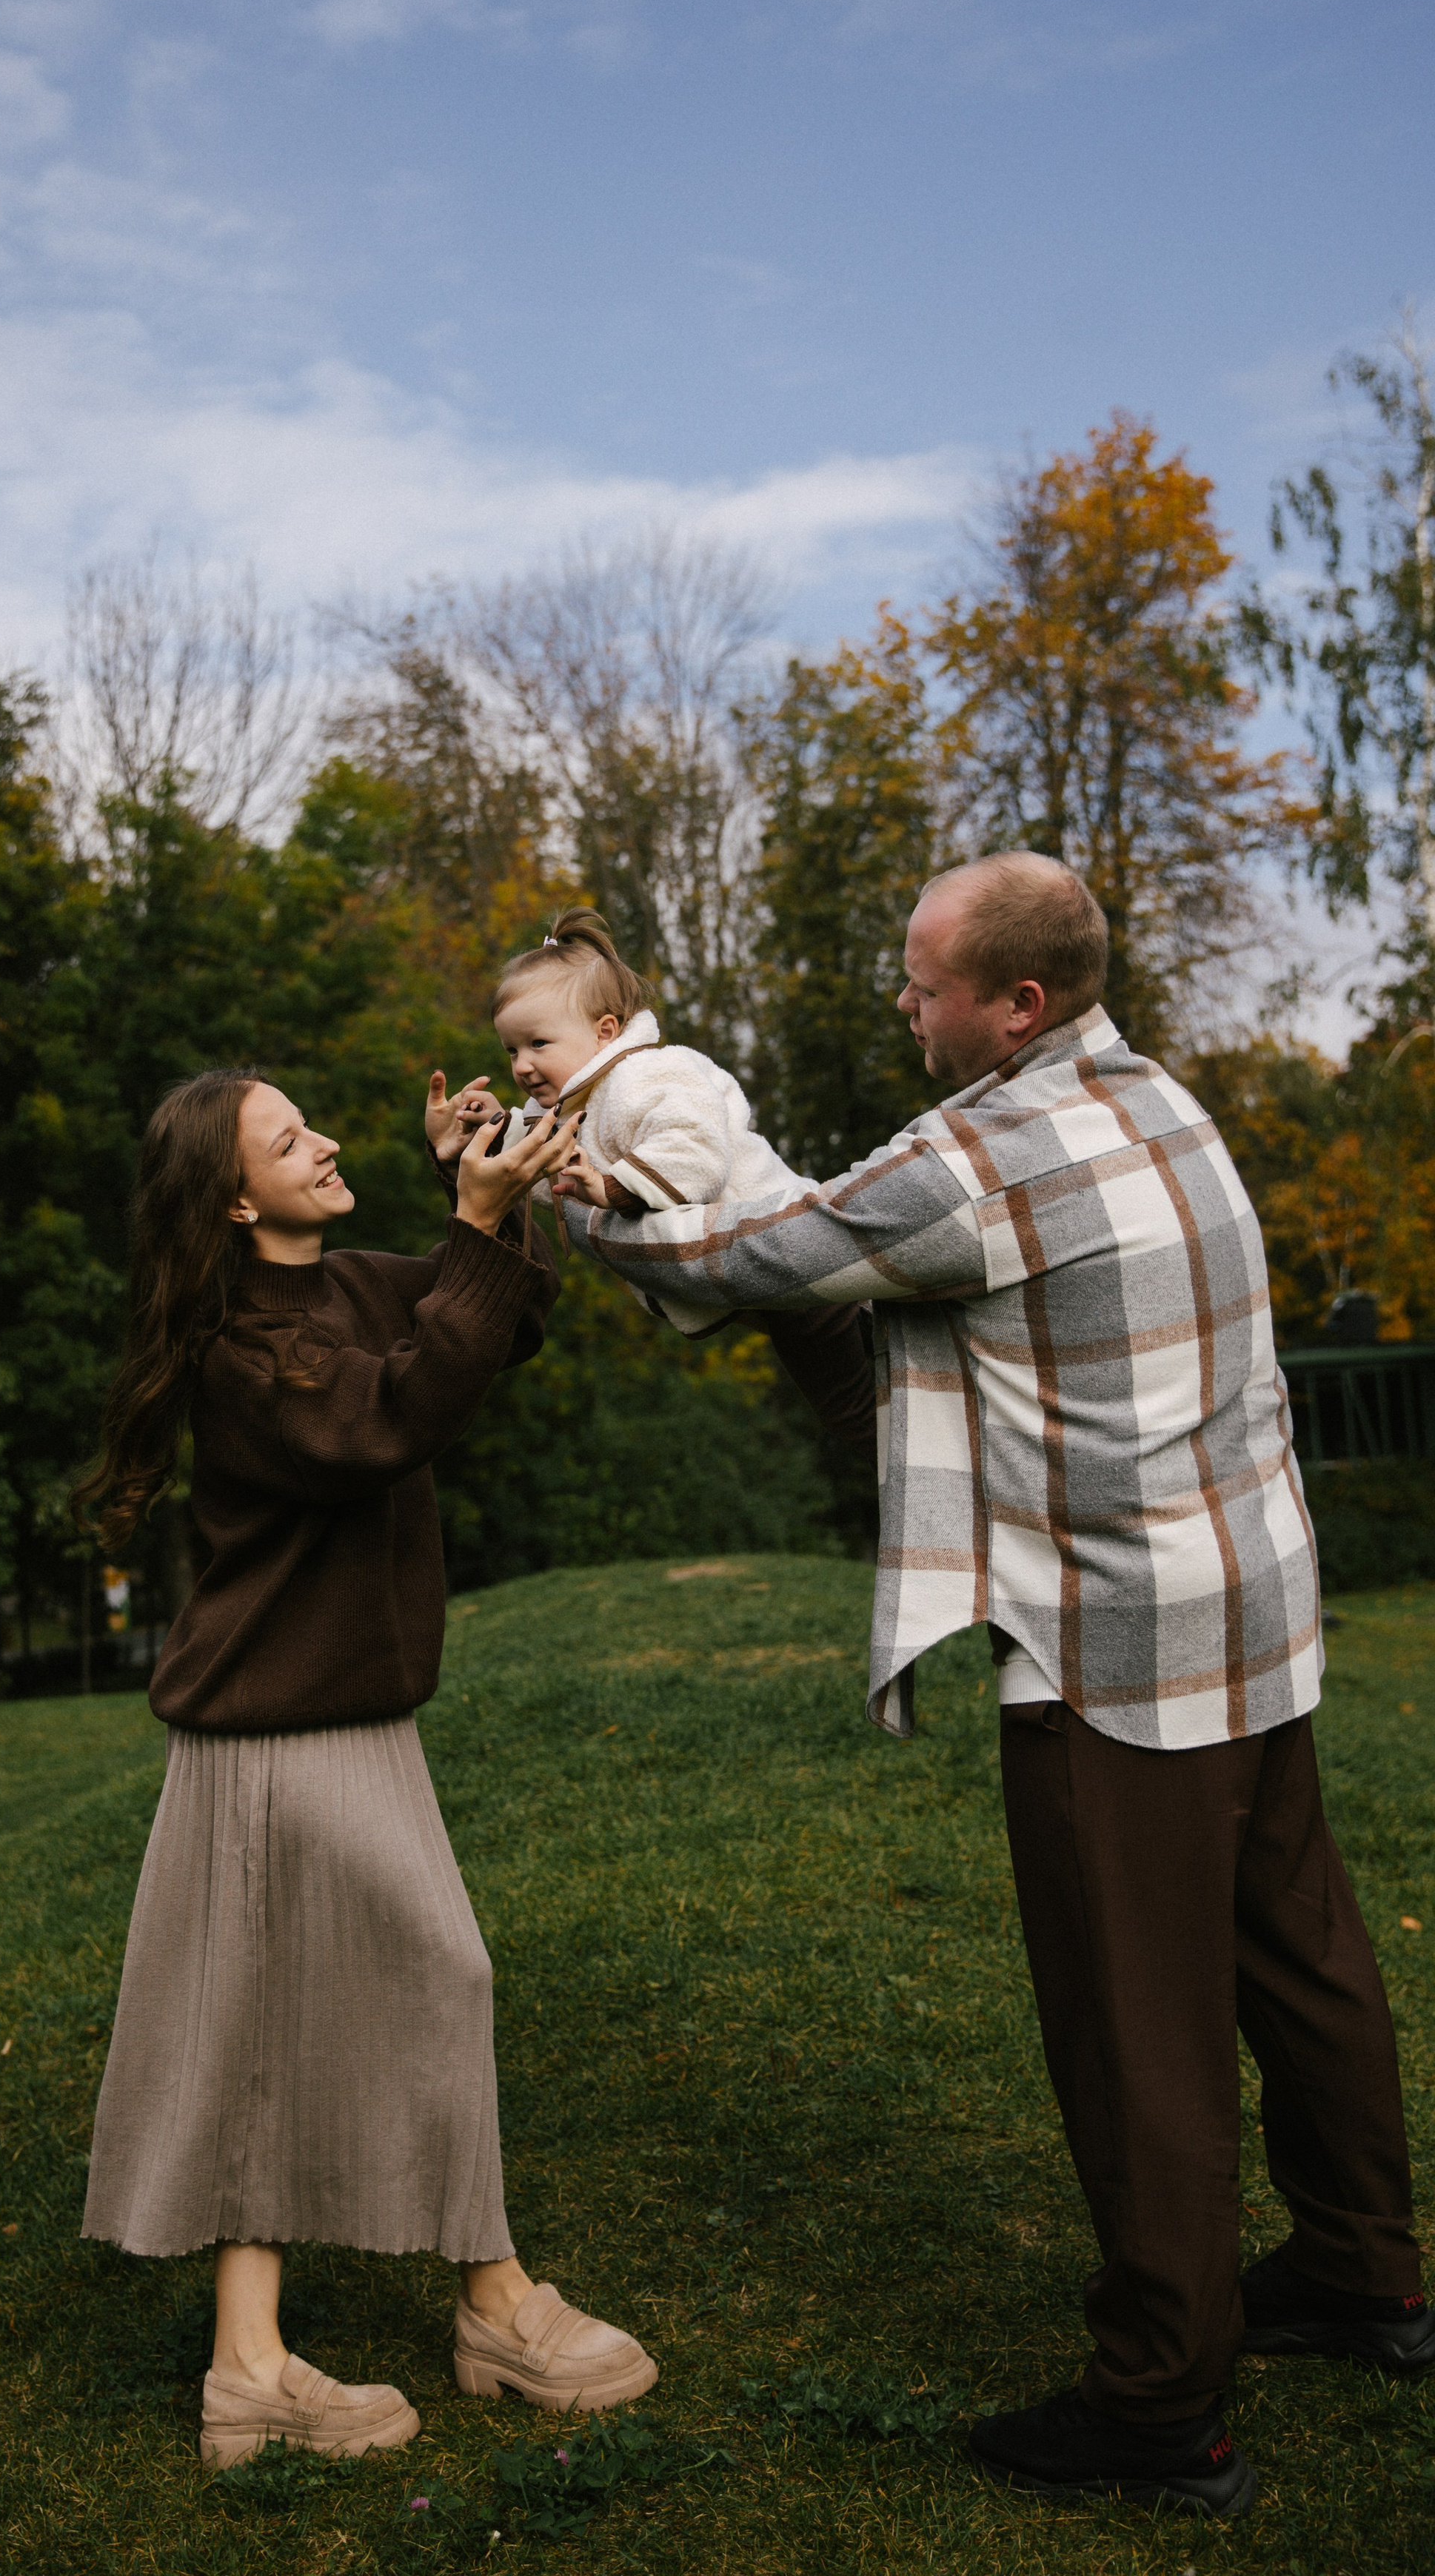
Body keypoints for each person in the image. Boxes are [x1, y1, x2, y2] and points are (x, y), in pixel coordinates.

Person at [557, 850, 1429, 2522]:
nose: (901, 996)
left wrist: (568, 1197)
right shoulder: (1152, 1092)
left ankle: (1160, 2399)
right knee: (1300, 1949)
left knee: (1133, 2018)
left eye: (922, 976)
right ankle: (1363, 2275)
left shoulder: (984, 1155)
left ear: (1012, 1002)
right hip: (1253, 1605)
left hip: (1114, 1650)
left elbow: (741, 1258)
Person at [76, 1067, 659, 2472]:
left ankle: (251, 2368)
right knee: (440, 1977)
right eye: (290, 1140)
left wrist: (490, 1199)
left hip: (347, 1718)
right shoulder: (237, 1352)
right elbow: (392, 1419)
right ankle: (496, 2305)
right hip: (275, 1736)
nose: (323, 1143)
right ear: (232, 1196)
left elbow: (494, 1329)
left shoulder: (346, 1288)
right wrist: (469, 1218)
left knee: (266, 2033)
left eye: (312, 1124)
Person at [427, 906, 876, 1459]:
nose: (521, 1066)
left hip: (797, 1249)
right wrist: (493, 1129)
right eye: (511, 1050)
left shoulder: (650, 1074)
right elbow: (548, 1168)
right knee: (866, 1395)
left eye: (538, 1044)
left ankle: (932, 1472)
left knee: (858, 1414)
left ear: (605, 1032)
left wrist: (615, 1189)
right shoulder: (584, 1100)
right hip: (764, 1277)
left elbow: (694, 1151)